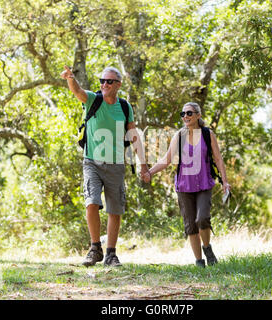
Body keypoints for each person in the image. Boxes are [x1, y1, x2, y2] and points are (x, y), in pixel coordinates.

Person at [61, 65, 148, 267]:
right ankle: (95, 248)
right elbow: (78, 91)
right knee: (91, 203)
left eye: (109, 81)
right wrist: (70, 78)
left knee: (114, 209)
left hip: (116, 163)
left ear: (118, 85)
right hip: (92, 161)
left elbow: (134, 136)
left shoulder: (125, 107)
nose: (104, 84)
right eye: (102, 80)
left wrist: (143, 164)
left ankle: (110, 254)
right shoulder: (93, 99)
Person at [142, 102, 230, 267]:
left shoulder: (207, 134)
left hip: (204, 183)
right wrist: (149, 172)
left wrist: (225, 182)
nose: (186, 117)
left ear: (198, 115)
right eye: (183, 114)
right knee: (190, 225)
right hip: (184, 185)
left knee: (202, 218)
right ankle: (199, 261)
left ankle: (207, 248)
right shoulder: (179, 136)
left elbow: (218, 158)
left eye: (189, 113)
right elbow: (166, 160)